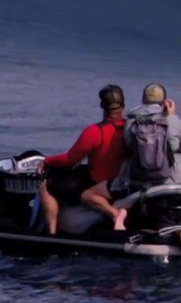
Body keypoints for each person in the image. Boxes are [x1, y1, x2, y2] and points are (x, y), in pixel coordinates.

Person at [82, 82, 181, 214]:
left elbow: (128, 146)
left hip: (138, 182)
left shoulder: (131, 122)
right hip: (171, 181)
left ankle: (115, 214)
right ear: (164, 101)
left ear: (143, 100)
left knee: (89, 194)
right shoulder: (172, 120)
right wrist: (172, 116)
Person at [38, 85, 129, 234]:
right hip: (122, 183)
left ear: (101, 106)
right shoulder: (130, 129)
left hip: (98, 184)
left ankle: (52, 234)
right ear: (123, 106)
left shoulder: (95, 132)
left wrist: (47, 160)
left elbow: (69, 159)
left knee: (47, 185)